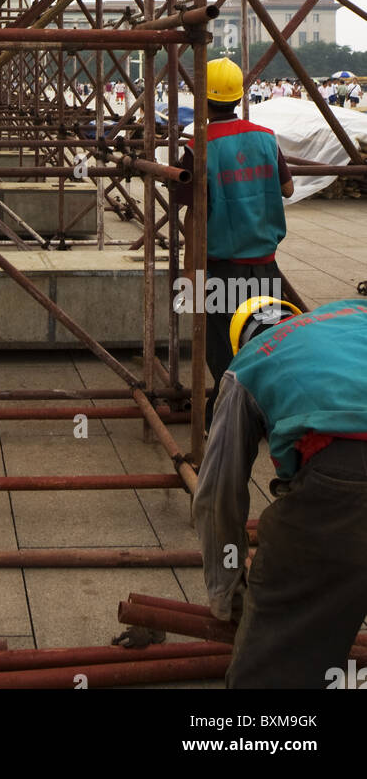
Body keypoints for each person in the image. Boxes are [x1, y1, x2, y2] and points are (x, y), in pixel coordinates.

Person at [193, 294, 367, 689]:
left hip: (343, 482)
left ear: (242, 341)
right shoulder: (355, 312)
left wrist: (226, 592)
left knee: (270, 667)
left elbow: (217, 492)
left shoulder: (248, 365)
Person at [176, 58, 294, 425]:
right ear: (239, 96)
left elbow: (192, 214)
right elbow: (287, 189)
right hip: (264, 265)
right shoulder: (266, 138)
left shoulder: (199, 147)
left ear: (203, 98)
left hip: (220, 269)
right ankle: (264, 413)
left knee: (221, 348)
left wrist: (189, 270)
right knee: (261, 339)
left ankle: (225, 417)